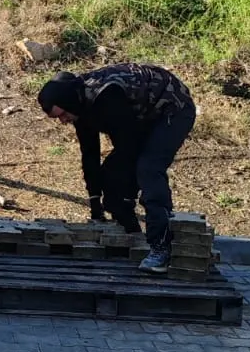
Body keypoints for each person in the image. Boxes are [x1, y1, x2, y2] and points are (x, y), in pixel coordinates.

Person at [37, 64, 196, 272]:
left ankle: (161, 248)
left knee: (148, 169)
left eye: (63, 114)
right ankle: (131, 234)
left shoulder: (106, 97)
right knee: (112, 183)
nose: (63, 121)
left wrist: (126, 192)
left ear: (69, 103)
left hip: (172, 109)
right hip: (140, 117)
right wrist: (96, 202)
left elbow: (130, 147)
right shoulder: (79, 106)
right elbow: (90, 154)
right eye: (57, 118)